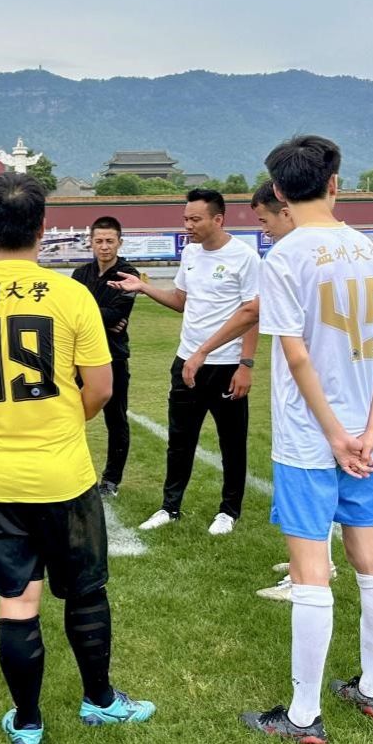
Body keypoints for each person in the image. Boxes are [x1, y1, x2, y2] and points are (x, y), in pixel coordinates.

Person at [0, 172, 155, 744]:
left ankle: (28, 721)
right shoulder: (70, 294)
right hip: (63, 473)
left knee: (17, 600)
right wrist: (58, 421)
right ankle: (99, 699)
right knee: (85, 592)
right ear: (43, 227)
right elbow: (100, 388)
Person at [241, 135, 373, 744]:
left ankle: (304, 716)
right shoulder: (369, 249)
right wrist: (370, 430)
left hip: (312, 440)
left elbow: (298, 356)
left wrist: (336, 435)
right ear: (335, 184)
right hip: (366, 439)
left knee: (311, 568)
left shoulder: (285, 256)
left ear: (278, 191)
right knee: (370, 556)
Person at [177, 181, 333, 601]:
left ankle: (307, 574)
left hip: (307, 386)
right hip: (328, 382)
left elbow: (251, 311)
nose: (262, 228)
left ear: (287, 209)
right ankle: (314, 559)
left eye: (264, 219)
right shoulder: (338, 247)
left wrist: (207, 352)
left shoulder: (289, 254)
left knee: (306, 472)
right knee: (320, 472)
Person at [112, 188, 260, 536]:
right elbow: (180, 300)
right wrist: (143, 287)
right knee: (179, 440)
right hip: (186, 362)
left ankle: (228, 511)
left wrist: (245, 364)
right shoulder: (190, 253)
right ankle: (170, 507)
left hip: (226, 365)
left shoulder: (245, 257)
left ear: (218, 219)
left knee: (231, 442)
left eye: (195, 219)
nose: (187, 226)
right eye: (185, 219)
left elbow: (252, 313)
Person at [70, 216, 140, 496]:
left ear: (119, 242)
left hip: (113, 356)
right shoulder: (80, 275)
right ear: (91, 242)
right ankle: (71, 470)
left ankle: (111, 480)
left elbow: (116, 315)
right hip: (78, 357)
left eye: (110, 241)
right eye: (99, 241)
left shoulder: (128, 275)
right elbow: (72, 314)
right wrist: (102, 317)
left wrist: (91, 316)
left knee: (116, 418)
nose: (104, 246)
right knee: (69, 413)